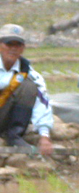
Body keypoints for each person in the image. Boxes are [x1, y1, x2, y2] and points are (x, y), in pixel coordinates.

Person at [0, 24, 53, 155]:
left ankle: (14, 135)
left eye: (17, 45)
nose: (13, 49)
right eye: (8, 44)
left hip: (4, 116)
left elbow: (43, 104)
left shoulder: (30, 74)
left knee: (28, 86)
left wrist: (44, 136)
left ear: (23, 48)